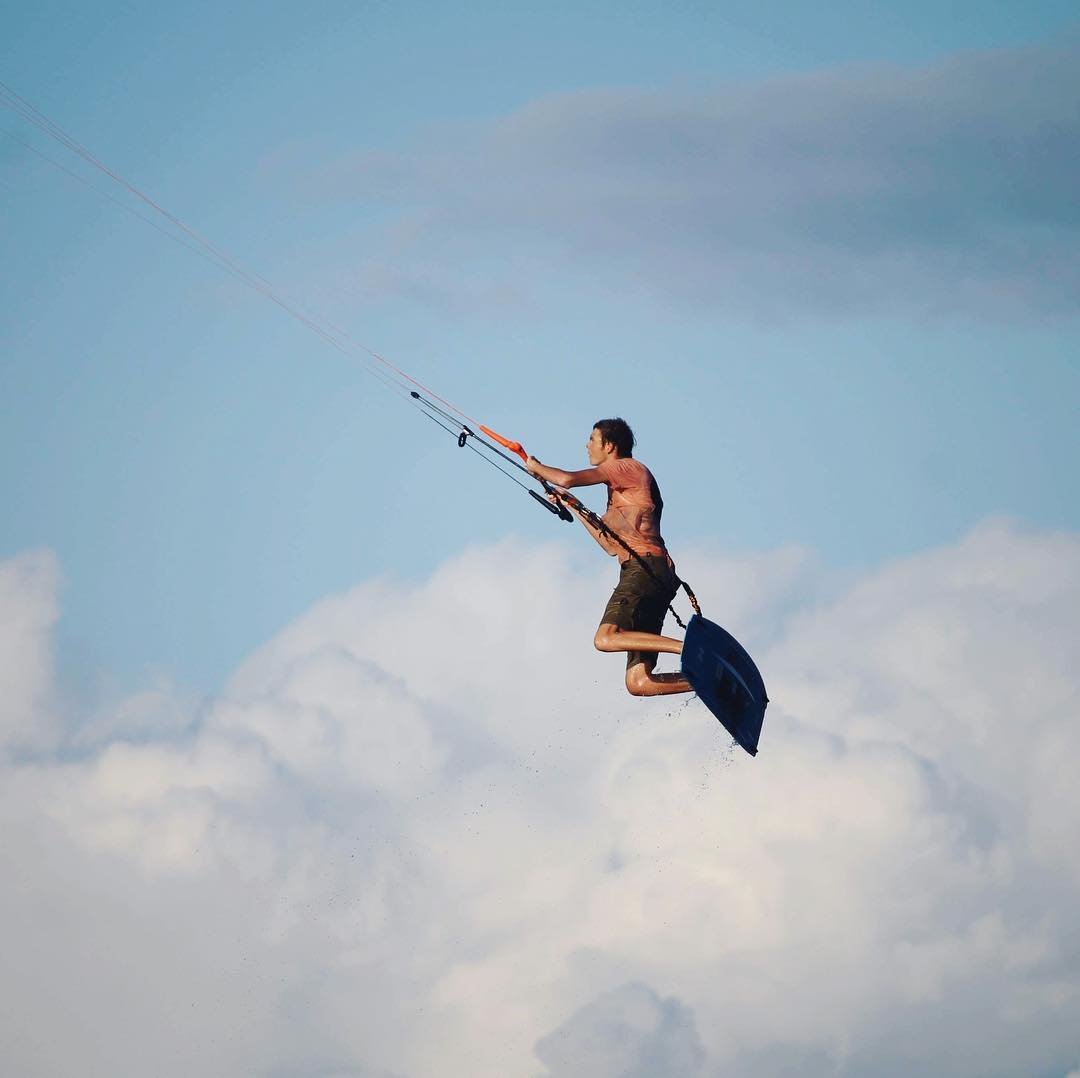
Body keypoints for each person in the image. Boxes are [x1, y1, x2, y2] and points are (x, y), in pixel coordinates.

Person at [526, 418, 692, 698]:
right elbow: (610, 545)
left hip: (644, 569)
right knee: (639, 683)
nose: (587, 445)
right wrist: (572, 505)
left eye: (592, 439)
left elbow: (567, 478)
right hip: (650, 572)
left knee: (605, 638)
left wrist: (536, 467)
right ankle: (701, 681)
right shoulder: (622, 488)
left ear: (610, 445)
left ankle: (687, 650)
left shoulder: (626, 467)